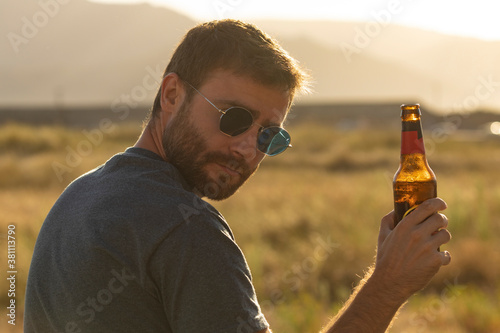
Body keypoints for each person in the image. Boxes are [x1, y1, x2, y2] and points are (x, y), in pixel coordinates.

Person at [24, 19, 451, 333]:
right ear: (172, 94)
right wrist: (387, 286)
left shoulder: (76, 196)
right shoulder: (186, 231)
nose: (248, 147)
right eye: (234, 118)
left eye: (269, 135)